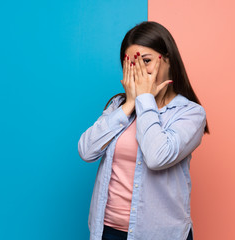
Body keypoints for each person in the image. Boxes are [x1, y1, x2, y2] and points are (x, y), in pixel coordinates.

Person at [78, 21, 210, 240]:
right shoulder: (117, 107)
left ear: (168, 60)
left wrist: (144, 99)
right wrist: (128, 105)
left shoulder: (190, 113)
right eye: (131, 64)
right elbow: (86, 151)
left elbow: (157, 157)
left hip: (160, 234)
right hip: (107, 231)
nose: (139, 72)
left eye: (146, 61)